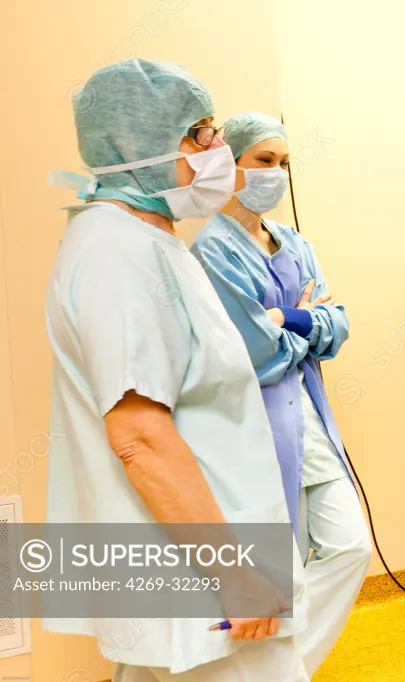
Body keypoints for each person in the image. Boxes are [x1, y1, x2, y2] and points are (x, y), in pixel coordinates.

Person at [45, 60, 310, 680]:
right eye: (201, 133)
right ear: (138, 146)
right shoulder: (120, 253)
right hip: (202, 581)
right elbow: (139, 436)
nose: (220, 150)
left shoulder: (147, 241)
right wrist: (236, 576)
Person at [190, 112, 372, 674]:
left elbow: (337, 326)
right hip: (258, 423)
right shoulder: (211, 251)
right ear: (232, 164)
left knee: (350, 547)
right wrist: (306, 323)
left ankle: (287, 672)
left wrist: (285, 318)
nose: (277, 174)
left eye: (284, 164)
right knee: (279, 568)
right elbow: (254, 351)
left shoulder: (294, 243)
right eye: (264, 161)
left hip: (312, 418)